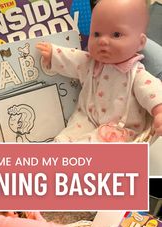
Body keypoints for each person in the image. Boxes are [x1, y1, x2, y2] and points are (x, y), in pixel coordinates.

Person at [36, 0, 162, 142]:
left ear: (140, 42)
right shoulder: (90, 63)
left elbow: (153, 92)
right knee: (65, 138)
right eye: (96, 34)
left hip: (119, 130)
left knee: (96, 144)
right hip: (86, 119)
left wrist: (159, 112)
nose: (102, 41)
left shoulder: (136, 75)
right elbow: (73, 58)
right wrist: (53, 54)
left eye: (116, 34)